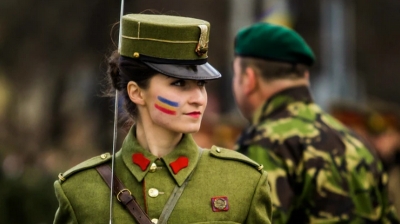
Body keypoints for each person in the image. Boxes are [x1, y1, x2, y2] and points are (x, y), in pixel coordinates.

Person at [52, 14, 272, 224]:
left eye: (201, 84)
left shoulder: (243, 183)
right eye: (179, 84)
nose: (198, 99)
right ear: (136, 92)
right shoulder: (80, 192)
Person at [231, 22, 399, 223]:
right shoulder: (356, 143)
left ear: (249, 79)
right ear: (305, 76)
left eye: (235, 74)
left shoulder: (264, 142)